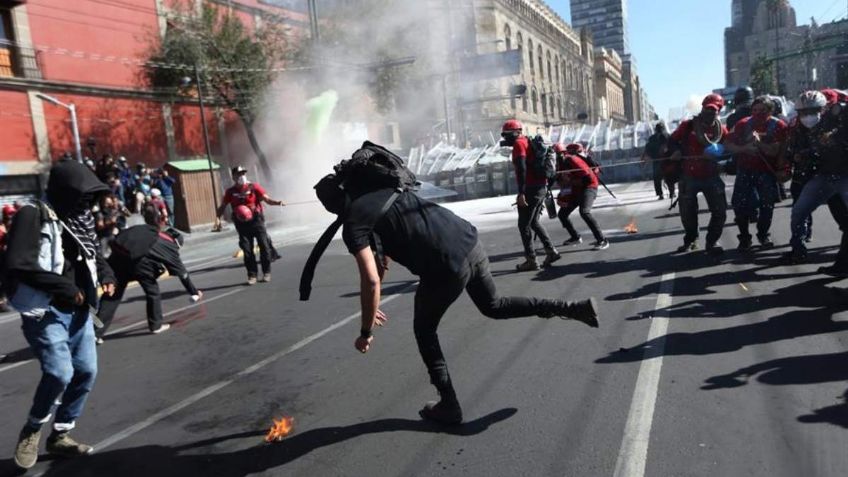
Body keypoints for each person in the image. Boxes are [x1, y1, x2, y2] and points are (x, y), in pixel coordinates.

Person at [312, 166, 599, 426]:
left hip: (445, 267)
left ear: (332, 206)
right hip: (469, 241)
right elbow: (381, 261)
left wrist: (365, 332)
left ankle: (449, 405)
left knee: (424, 330)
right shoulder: (384, 190)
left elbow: (371, 279)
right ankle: (571, 307)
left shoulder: (354, 223)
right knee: (494, 305)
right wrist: (372, 304)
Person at [3, 159, 116, 470]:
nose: (86, 202)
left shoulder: (80, 218)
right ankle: (33, 429)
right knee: (59, 373)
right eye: (82, 195)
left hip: (79, 311)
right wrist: (65, 288)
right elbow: (18, 263)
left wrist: (107, 275)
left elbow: (92, 254)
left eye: (90, 196)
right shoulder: (32, 214)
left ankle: (61, 434)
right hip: (46, 310)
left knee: (86, 372)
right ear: (66, 191)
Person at [95, 206, 202, 343]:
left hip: (118, 255)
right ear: (176, 242)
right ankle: (156, 325)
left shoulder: (151, 231)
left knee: (112, 295)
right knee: (153, 291)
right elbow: (183, 274)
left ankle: (96, 332)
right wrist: (194, 291)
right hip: (138, 261)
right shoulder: (170, 246)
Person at [783, 90, 848, 264]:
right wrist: (798, 156)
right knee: (799, 212)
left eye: (813, 111)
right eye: (804, 112)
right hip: (821, 176)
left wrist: (834, 140)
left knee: (845, 221)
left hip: (843, 175)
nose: (808, 116)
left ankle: (843, 262)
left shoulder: (839, 121)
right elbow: (794, 151)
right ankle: (798, 250)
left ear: (824, 109)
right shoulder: (798, 129)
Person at [668, 94, 730, 254]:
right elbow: (672, 140)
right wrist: (676, 151)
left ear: (719, 111)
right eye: (707, 109)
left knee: (720, 211)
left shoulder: (721, 130)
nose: (710, 113)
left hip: (712, 175)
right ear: (702, 108)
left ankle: (712, 242)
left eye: (714, 110)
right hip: (689, 175)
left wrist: (721, 156)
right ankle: (691, 239)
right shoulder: (687, 126)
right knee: (687, 212)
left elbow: (729, 149)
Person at [726, 96, 789, 251]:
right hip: (745, 170)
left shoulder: (778, 125)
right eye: (755, 110)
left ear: (770, 111)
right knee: (739, 205)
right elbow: (728, 144)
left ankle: (763, 234)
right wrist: (744, 149)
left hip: (766, 171)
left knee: (767, 206)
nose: (758, 113)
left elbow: (775, 151)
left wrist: (759, 144)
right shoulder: (742, 124)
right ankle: (744, 238)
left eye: (762, 110)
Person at [499, 119, 560, 271]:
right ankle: (551, 251)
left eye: (507, 135)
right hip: (540, 187)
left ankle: (531, 260)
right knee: (533, 222)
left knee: (523, 225)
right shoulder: (527, 141)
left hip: (530, 189)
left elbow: (521, 169)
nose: (505, 138)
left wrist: (521, 193)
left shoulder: (519, 144)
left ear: (516, 133)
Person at [215, 166, 285, 284]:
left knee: (264, 246)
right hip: (241, 224)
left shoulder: (254, 187)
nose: (241, 176)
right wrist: (217, 218)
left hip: (256, 221)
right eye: (238, 174)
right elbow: (223, 206)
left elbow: (267, 199)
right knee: (247, 250)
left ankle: (266, 272)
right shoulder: (230, 192)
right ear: (233, 177)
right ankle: (252, 275)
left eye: (243, 173)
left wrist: (277, 203)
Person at [554, 143, 609, 250]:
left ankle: (602, 240)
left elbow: (588, 179)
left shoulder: (572, 160)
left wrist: (570, 182)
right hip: (577, 189)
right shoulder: (560, 164)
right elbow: (560, 180)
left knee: (584, 212)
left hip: (589, 187)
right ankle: (575, 237)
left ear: (561, 154)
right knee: (562, 214)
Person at [641, 122, 674, 200]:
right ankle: (667, 193)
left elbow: (647, 149)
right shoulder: (665, 136)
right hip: (662, 160)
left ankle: (666, 193)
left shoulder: (665, 137)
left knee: (665, 177)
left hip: (663, 160)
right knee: (663, 177)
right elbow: (648, 148)